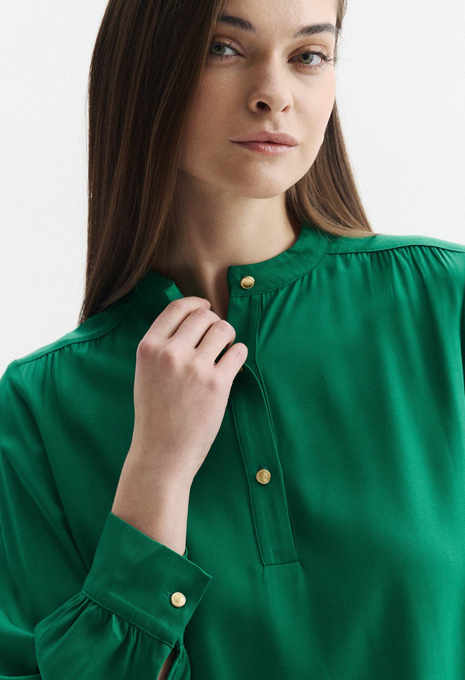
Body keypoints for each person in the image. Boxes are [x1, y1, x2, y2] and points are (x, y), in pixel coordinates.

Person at [1, 0, 465, 678]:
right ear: (145, 66)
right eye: (222, 48)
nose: (274, 94)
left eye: (308, 56)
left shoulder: (442, 306)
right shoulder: (40, 408)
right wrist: (156, 472)